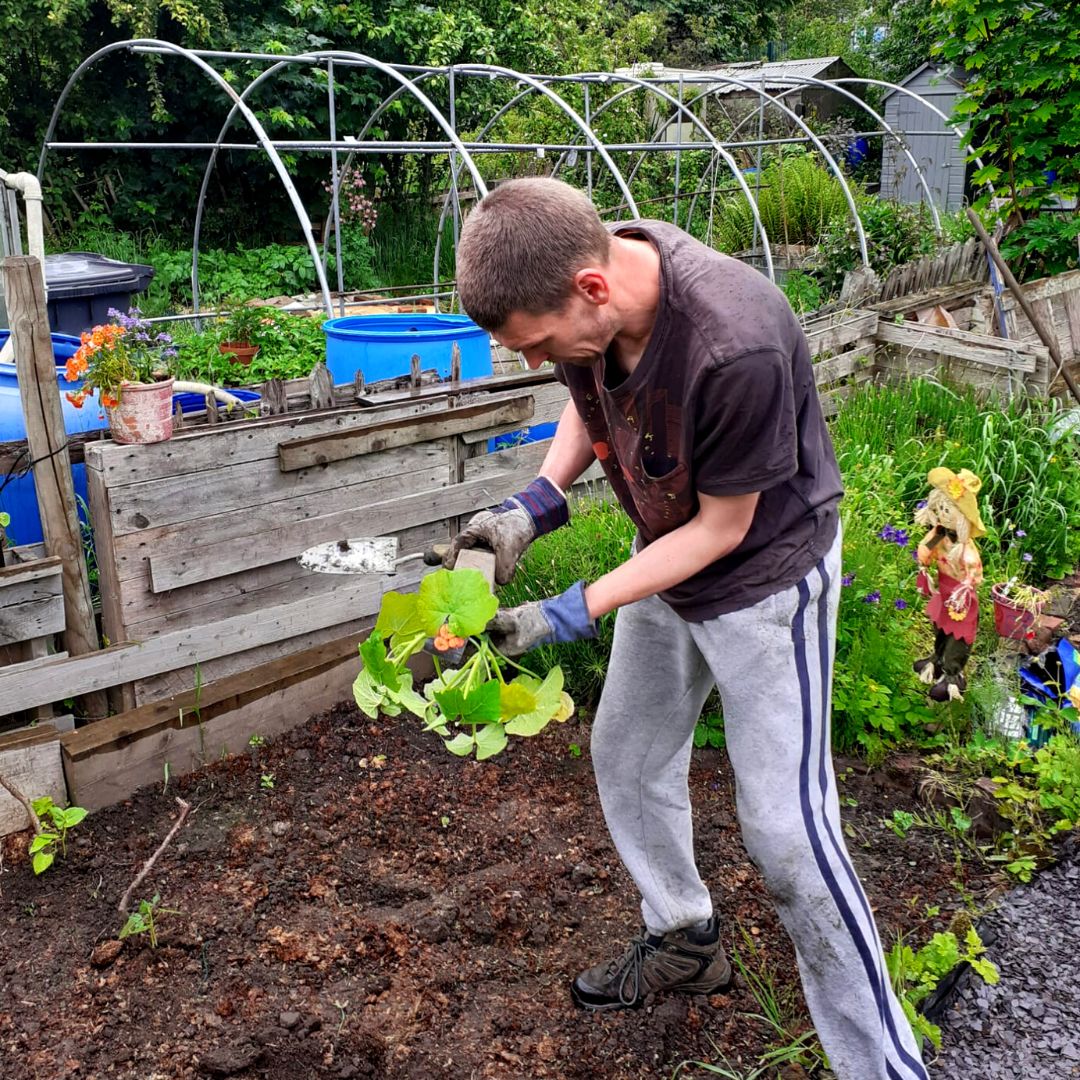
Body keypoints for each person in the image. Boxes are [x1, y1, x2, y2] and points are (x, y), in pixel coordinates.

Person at [444, 176, 927, 1080]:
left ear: (591, 289)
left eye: (537, 344)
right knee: (625, 756)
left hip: (762, 584)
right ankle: (684, 939)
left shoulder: (732, 341)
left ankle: (886, 1066)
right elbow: (588, 395)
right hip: (664, 555)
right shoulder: (603, 275)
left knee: (789, 837)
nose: (536, 359)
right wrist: (535, 505)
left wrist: (565, 611)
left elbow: (722, 530)